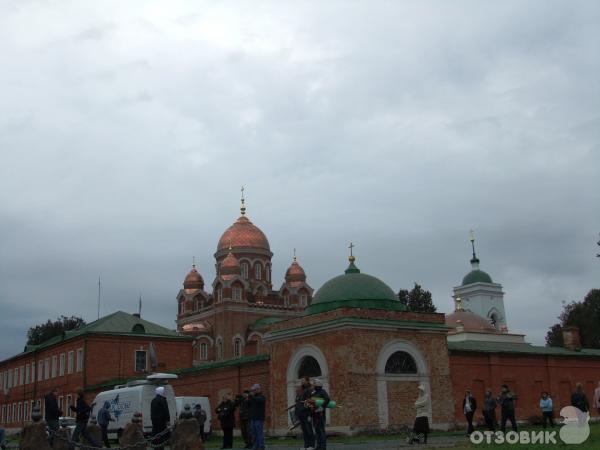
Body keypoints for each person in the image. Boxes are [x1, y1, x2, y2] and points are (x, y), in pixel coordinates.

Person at [295, 376, 314, 450]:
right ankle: (306, 445)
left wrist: (310, 414)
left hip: (307, 413)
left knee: (309, 429)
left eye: (303, 380)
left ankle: (311, 445)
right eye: (301, 380)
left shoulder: (310, 389)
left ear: (307, 381)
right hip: (301, 413)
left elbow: (311, 402)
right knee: (304, 430)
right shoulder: (301, 390)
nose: (302, 381)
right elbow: (297, 400)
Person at [311, 378, 330, 450]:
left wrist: (322, 407)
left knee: (321, 430)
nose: (313, 384)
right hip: (314, 414)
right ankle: (318, 446)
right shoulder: (314, 392)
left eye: (314, 383)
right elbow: (312, 402)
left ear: (318, 384)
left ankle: (323, 447)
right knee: (316, 430)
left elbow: (327, 399)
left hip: (320, 414)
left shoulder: (322, 391)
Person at [248, 384, 266, 450]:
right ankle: (255, 446)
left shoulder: (262, 396)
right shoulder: (253, 397)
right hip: (253, 418)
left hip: (259, 418)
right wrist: (248, 398)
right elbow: (248, 404)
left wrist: (252, 396)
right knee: (254, 433)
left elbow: (259, 400)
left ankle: (261, 446)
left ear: (258, 389)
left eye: (254, 390)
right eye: (252, 390)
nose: (253, 391)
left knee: (259, 433)